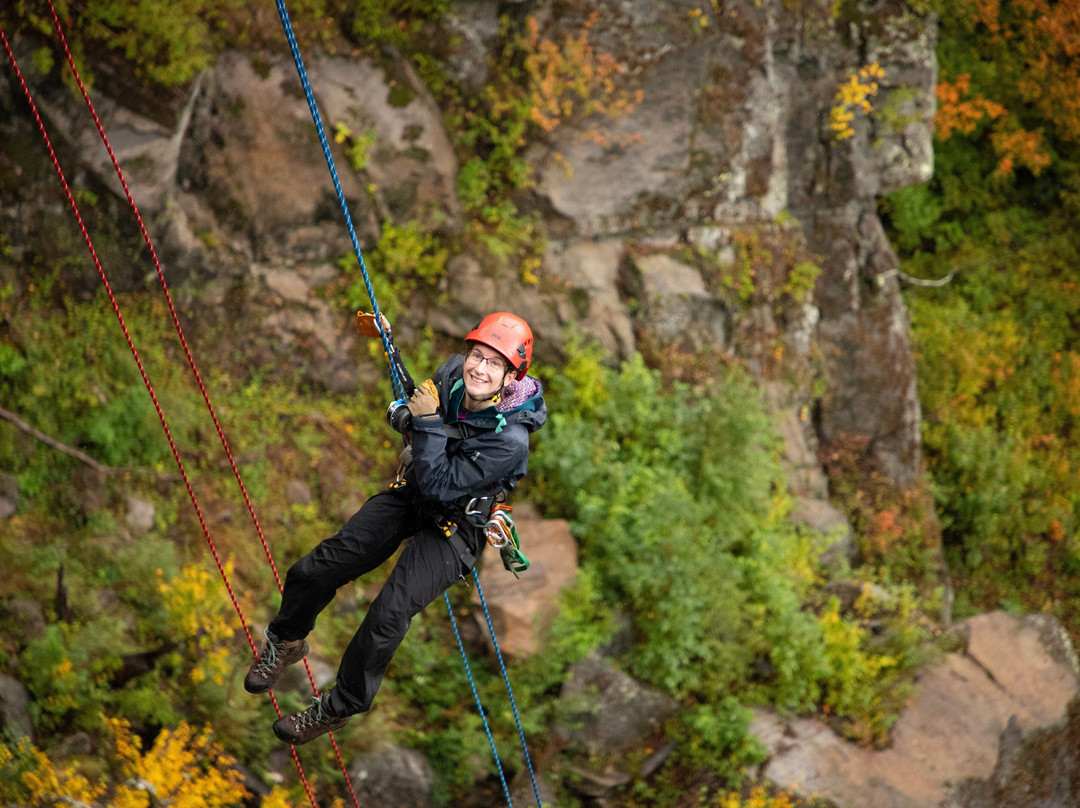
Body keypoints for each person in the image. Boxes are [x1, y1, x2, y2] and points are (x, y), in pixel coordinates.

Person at [243, 312, 546, 745]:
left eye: (494, 363)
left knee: (388, 615)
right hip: (415, 491)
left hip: (456, 526)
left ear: (511, 375)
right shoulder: (450, 376)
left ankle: (338, 707)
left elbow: (443, 482)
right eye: (477, 355)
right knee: (318, 567)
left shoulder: (510, 439)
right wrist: (391, 351)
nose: (480, 368)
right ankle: (286, 641)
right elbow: (416, 405)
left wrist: (421, 423)